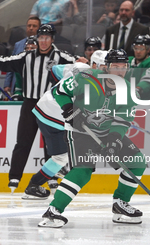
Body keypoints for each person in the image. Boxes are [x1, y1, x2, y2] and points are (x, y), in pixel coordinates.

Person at [38, 49, 146, 228]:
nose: (120, 71)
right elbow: (59, 91)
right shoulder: (86, 78)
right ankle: (53, 211)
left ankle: (120, 203)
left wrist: (113, 140)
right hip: (80, 131)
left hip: (106, 131)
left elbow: (123, 118)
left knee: (137, 162)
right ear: (107, 67)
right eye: (116, 66)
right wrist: (69, 109)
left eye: (124, 67)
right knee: (83, 169)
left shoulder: (127, 89)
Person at [0, 24, 88, 193]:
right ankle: (14, 177)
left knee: (50, 143)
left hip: (52, 104)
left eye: (47, 38)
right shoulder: (26, 56)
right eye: (41, 38)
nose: (43, 41)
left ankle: (51, 177)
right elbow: (5, 63)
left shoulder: (61, 56)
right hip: (30, 103)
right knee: (23, 141)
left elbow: (77, 65)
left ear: (52, 39)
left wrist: (82, 61)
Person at [22, 52, 106, 200]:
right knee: (62, 156)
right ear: (94, 65)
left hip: (48, 109)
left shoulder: (79, 66)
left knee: (63, 156)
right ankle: (34, 185)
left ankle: (39, 183)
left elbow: (54, 71)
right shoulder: (89, 76)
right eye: (105, 66)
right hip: (54, 114)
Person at [4, 17, 41, 95]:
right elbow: (11, 64)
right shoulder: (18, 44)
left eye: (34, 26)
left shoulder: (43, 44)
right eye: (29, 26)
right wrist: (7, 84)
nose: (31, 28)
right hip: (18, 83)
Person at [126, 34, 150, 100]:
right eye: (136, 48)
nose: (138, 52)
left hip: (148, 101)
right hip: (129, 98)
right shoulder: (128, 61)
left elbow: (148, 81)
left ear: (148, 50)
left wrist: (137, 91)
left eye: (141, 49)